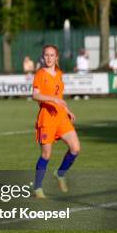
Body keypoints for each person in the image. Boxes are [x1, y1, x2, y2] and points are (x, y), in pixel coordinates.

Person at [31, 45, 80, 199]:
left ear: (56, 57)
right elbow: (35, 95)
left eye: (52, 55)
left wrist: (67, 110)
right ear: (43, 57)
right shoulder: (40, 74)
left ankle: (60, 174)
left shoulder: (59, 74)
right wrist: (52, 98)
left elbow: (59, 98)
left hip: (61, 118)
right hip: (47, 118)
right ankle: (37, 187)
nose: (49, 58)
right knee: (46, 155)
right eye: (46, 55)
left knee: (75, 148)